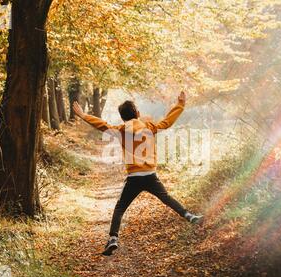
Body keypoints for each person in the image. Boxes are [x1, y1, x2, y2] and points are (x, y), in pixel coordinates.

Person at [73, 91, 203, 256]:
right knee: (167, 198)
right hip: (150, 175)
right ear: (138, 113)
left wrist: (84, 115)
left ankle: (113, 238)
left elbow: (102, 125)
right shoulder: (148, 126)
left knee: (120, 208)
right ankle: (189, 216)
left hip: (134, 178)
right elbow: (167, 122)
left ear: (123, 117)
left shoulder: (120, 129)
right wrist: (180, 104)